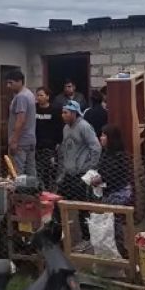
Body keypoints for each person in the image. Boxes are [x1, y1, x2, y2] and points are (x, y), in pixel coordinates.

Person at [57, 100, 102, 251]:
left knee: (82, 207)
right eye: (62, 112)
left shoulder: (84, 126)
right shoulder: (64, 128)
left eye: (66, 112)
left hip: (81, 174)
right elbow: (65, 151)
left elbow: (96, 147)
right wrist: (62, 173)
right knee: (59, 203)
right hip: (69, 173)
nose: (63, 115)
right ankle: (60, 235)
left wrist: (89, 168)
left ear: (74, 113)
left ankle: (87, 239)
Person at [95, 124, 133, 257]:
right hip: (108, 190)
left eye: (104, 135)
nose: (101, 138)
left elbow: (112, 176)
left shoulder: (119, 156)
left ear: (111, 138)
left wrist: (99, 180)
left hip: (119, 192)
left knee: (112, 219)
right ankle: (113, 248)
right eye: (101, 135)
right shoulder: (105, 153)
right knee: (108, 218)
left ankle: (120, 249)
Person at [4, 70, 37, 179]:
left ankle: (21, 195)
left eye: (11, 83)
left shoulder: (21, 97)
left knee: (18, 173)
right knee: (31, 171)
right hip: (30, 139)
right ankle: (33, 193)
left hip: (21, 142)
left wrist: (14, 141)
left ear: (19, 81)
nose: (8, 86)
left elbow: (21, 120)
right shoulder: (29, 93)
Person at [34, 87, 62, 191]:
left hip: (49, 146)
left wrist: (58, 142)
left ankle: (49, 190)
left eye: (41, 95)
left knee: (48, 169)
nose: (39, 97)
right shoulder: (34, 109)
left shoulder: (55, 110)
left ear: (48, 97)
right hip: (36, 144)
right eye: (37, 95)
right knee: (36, 169)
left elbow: (59, 127)